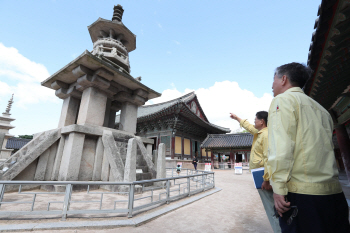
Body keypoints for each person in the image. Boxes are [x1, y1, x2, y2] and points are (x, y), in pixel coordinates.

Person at [266, 62, 350, 233]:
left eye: (273, 79)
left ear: (283, 79)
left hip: (303, 194)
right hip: (333, 193)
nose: (272, 85)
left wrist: (278, 188)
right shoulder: (322, 110)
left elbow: (281, 148)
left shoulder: (282, 100)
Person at [230, 111, 281, 233]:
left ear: (262, 121)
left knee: (271, 205)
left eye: (255, 120)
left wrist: (266, 179)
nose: (254, 122)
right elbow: (248, 126)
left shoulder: (265, 135)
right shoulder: (259, 133)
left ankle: (279, 229)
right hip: (260, 173)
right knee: (268, 204)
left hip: (263, 174)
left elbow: (268, 158)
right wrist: (237, 118)